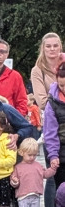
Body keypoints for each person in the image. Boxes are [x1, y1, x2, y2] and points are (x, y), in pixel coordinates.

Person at [30, 34, 63, 207]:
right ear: (43, 48)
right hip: (53, 123)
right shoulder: (38, 70)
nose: (52, 49)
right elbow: (42, 101)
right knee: (53, 174)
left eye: (55, 46)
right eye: (48, 46)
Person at [9, 138, 56, 207]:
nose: (32, 157)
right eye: (29, 155)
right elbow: (13, 181)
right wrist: (15, 181)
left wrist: (52, 169)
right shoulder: (18, 167)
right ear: (21, 152)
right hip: (22, 196)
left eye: (34, 155)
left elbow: (45, 174)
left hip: (35, 195)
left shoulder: (38, 165)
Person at [42, 58, 65, 191]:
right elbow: (50, 133)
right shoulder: (52, 103)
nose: (64, 89)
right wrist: (53, 155)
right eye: (61, 85)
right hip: (61, 156)